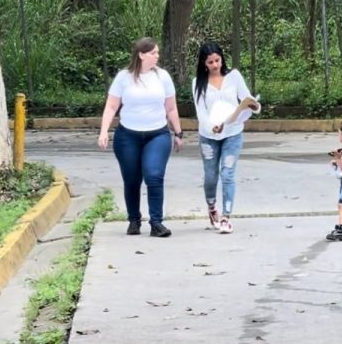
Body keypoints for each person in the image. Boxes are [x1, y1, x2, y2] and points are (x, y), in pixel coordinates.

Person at [97, 37, 183, 238]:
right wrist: (104, 131)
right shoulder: (124, 77)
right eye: (153, 53)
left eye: (157, 53)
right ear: (141, 55)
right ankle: (134, 220)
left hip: (157, 134)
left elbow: (171, 108)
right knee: (132, 179)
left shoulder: (162, 77)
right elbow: (111, 106)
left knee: (154, 175)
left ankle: (157, 222)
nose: (157, 56)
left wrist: (178, 133)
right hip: (128, 136)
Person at [192, 41, 260, 234]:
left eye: (217, 60)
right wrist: (211, 126)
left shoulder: (234, 76)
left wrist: (254, 106)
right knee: (211, 175)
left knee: (228, 173)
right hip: (209, 136)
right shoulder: (198, 82)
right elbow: (201, 111)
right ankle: (212, 206)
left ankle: (226, 217)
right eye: (210, 62)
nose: (215, 65)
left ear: (222, 59)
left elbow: (247, 99)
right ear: (204, 63)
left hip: (232, 132)